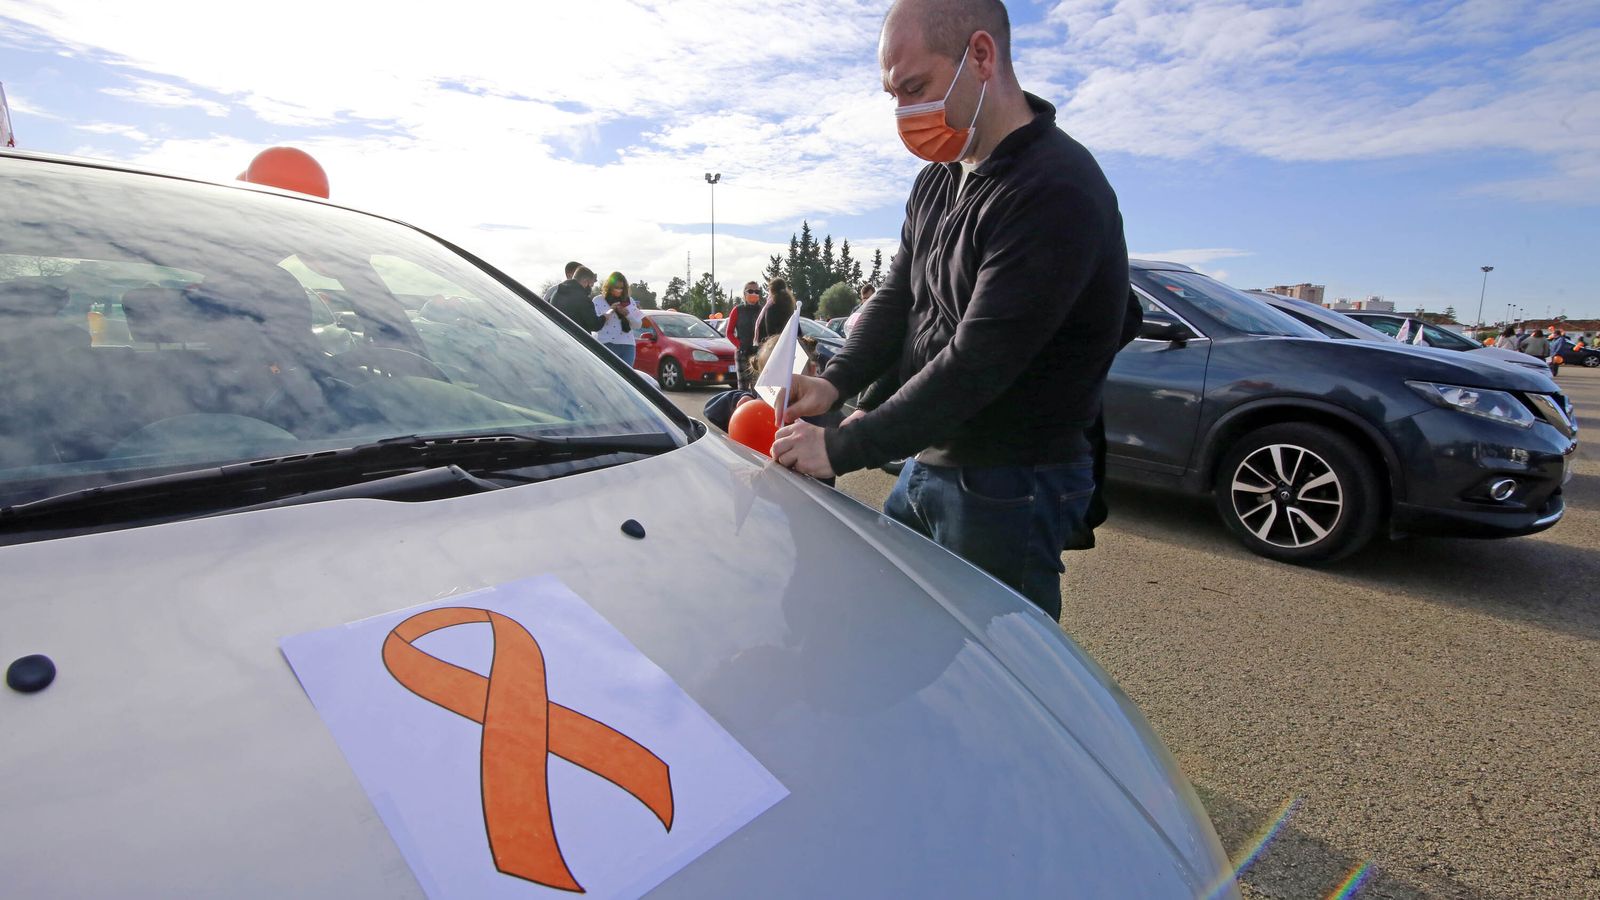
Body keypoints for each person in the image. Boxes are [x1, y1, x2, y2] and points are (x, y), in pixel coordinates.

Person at [769, 0, 1136, 621]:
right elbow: (899, 297)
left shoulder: (1054, 188)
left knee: (996, 658)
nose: (903, 113)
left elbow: (980, 361)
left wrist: (843, 446)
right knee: (900, 623)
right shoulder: (940, 178)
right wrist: (834, 382)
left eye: (915, 88)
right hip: (932, 453)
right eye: (893, 95)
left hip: (1011, 477)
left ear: (981, 56)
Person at [592, 271, 644, 365]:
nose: (619, 290)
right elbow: (595, 324)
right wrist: (611, 310)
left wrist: (627, 314)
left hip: (627, 345)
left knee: (626, 373)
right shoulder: (598, 300)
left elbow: (638, 325)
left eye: (621, 288)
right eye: (616, 287)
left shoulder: (629, 301)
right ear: (609, 287)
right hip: (606, 343)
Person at [725, 281, 764, 389]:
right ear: (744, 293)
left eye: (757, 291)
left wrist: (763, 347)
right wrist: (740, 345)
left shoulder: (763, 310)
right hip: (742, 352)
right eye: (750, 291)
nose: (754, 293)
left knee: (758, 387)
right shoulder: (737, 310)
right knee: (743, 387)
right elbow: (729, 332)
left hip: (759, 353)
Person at [550, 266, 601, 331]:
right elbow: (595, 325)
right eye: (591, 285)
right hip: (575, 336)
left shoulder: (556, 292)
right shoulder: (583, 299)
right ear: (585, 281)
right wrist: (605, 317)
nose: (591, 288)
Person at [754, 277, 797, 346]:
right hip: (790, 343)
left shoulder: (771, 307)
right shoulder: (790, 306)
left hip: (775, 345)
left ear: (771, 290)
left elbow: (770, 332)